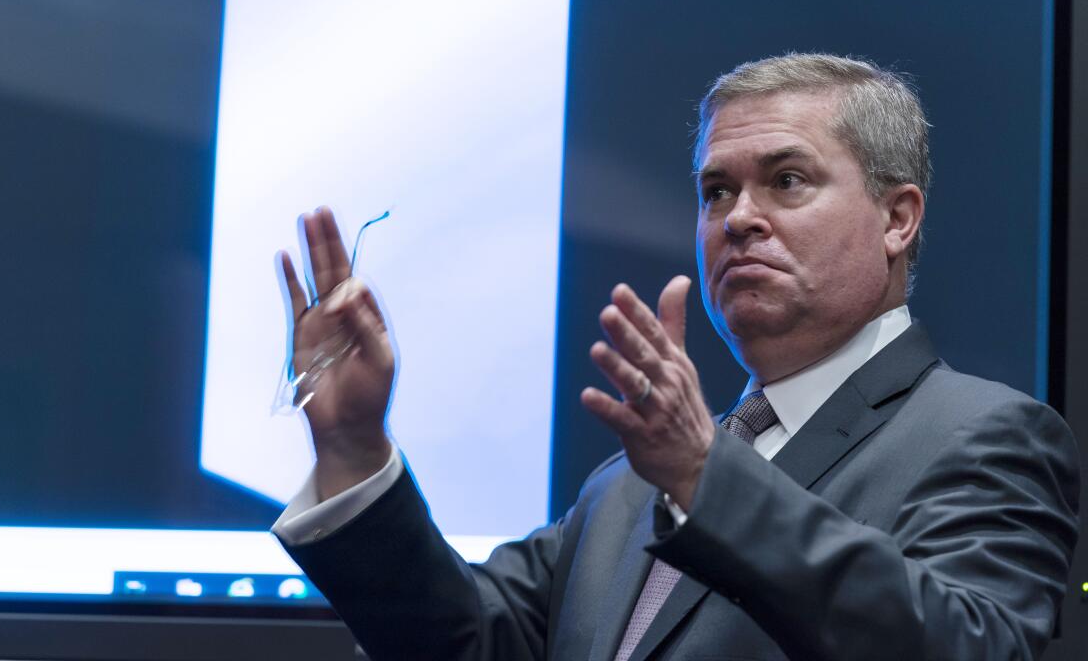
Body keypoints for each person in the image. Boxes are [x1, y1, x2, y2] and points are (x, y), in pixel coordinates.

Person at [270, 53, 1080, 660]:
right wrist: (353, 451)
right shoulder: (625, 488)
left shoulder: (985, 436)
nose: (739, 219)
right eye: (717, 191)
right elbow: (461, 642)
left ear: (898, 218)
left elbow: (968, 647)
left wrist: (704, 478)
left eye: (788, 180)